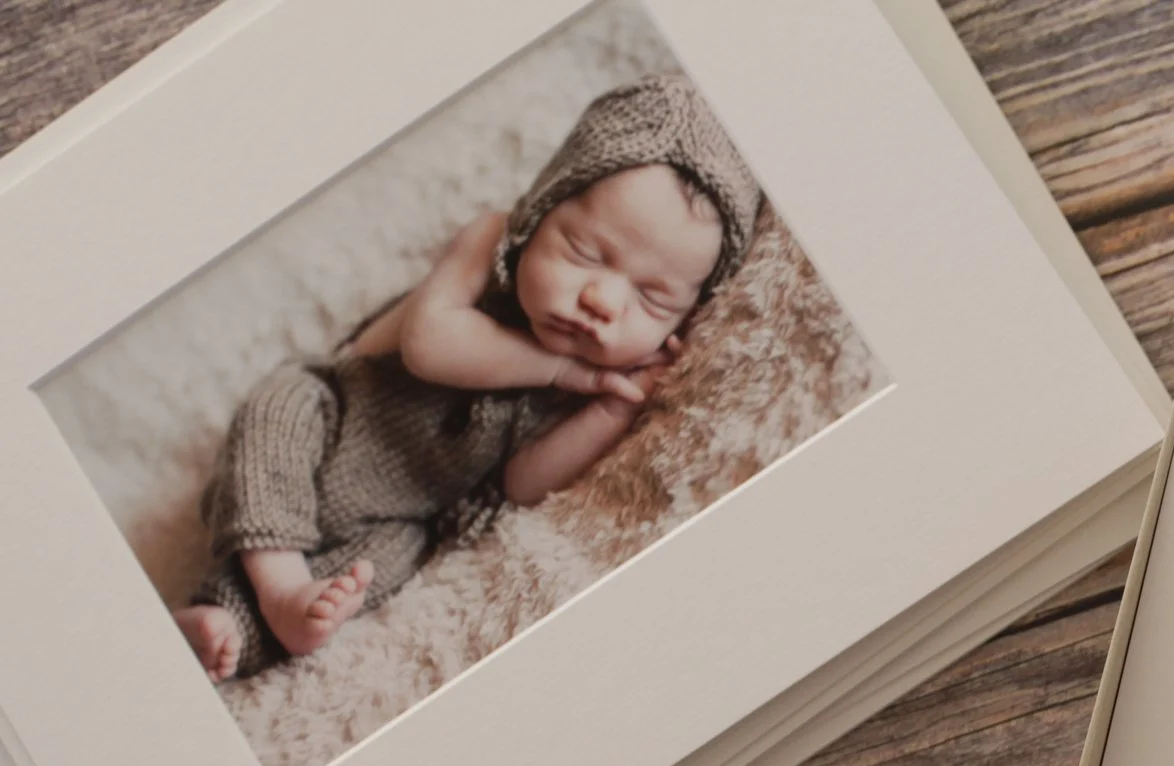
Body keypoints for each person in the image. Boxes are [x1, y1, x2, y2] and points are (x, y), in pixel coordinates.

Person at [174, 74, 762, 681]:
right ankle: (277, 587)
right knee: (278, 408)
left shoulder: (600, 383)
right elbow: (428, 345)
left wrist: (614, 410)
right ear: (540, 210)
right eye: (585, 253)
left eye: (653, 299)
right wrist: (560, 370)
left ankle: (228, 625)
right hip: (331, 420)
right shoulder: (486, 246)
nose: (603, 301)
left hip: (401, 517)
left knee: (368, 578)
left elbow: (521, 484)